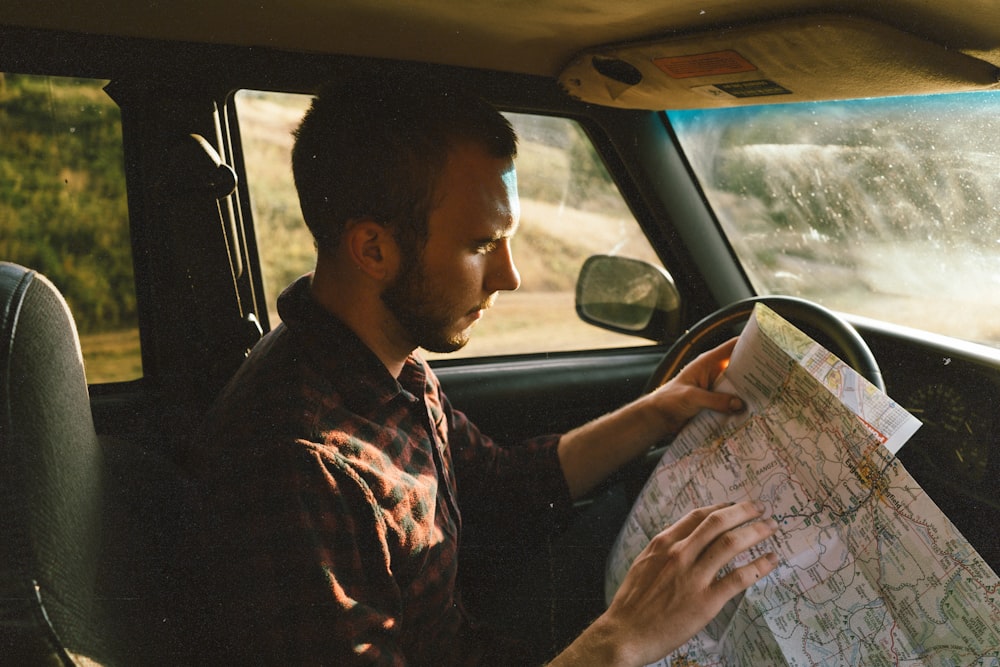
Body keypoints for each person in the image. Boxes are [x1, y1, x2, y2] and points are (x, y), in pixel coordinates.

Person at [187, 74, 778, 666]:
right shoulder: (304, 465)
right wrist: (623, 637)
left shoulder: (388, 365)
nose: (510, 277)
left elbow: (498, 485)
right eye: (481, 245)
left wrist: (660, 409)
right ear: (372, 250)